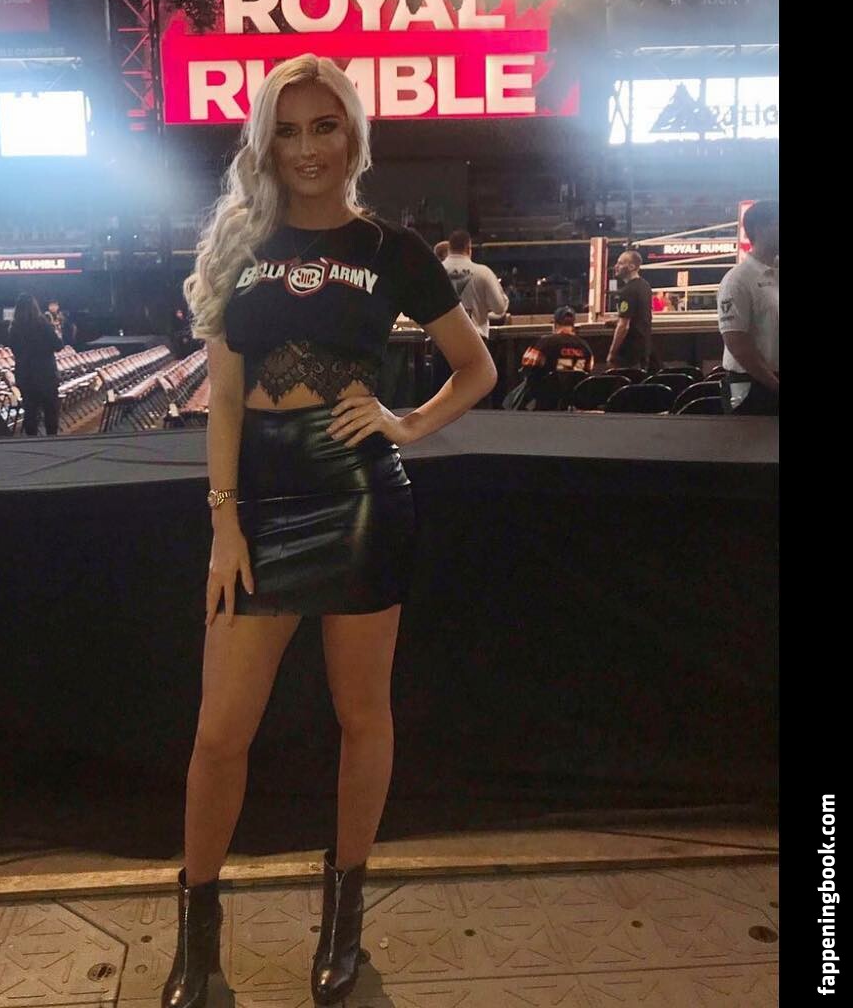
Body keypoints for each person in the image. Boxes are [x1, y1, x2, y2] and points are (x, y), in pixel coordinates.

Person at [167, 53, 496, 1008]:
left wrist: (405, 424)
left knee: (363, 717)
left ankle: (343, 923)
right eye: (287, 130)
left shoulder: (393, 248)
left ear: (352, 134)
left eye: (324, 126)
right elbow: (226, 401)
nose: (306, 148)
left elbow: (476, 367)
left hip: (358, 499)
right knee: (219, 735)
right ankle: (197, 938)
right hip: (259, 503)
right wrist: (225, 525)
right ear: (264, 142)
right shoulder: (238, 242)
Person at [717, 200, 778, 415]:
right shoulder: (738, 280)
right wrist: (774, 385)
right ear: (760, 229)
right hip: (753, 389)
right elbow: (737, 342)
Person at [504, 306, 593, 410]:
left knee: (512, 399)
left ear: (555, 324)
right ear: (573, 325)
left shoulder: (545, 343)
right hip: (573, 399)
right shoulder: (585, 347)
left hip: (546, 397)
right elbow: (587, 371)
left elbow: (528, 365)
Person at [8, 294, 63, 435]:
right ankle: (52, 440)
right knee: (50, 411)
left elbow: (14, 349)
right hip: (46, 374)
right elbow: (58, 345)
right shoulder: (43, 324)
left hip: (25, 375)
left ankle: (32, 441)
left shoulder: (14, 327)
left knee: (30, 412)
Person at [441, 230, 509, 339]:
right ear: (468, 248)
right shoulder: (483, 272)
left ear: (449, 248)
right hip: (475, 339)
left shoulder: (434, 272)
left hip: (442, 339)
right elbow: (499, 308)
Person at [605, 249, 652, 371]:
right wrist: (616, 321)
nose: (616, 266)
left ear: (631, 267)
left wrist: (612, 353)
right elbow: (639, 316)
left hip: (628, 353)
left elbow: (624, 326)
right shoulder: (645, 286)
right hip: (643, 348)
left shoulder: (627, 291)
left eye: (620, 263)